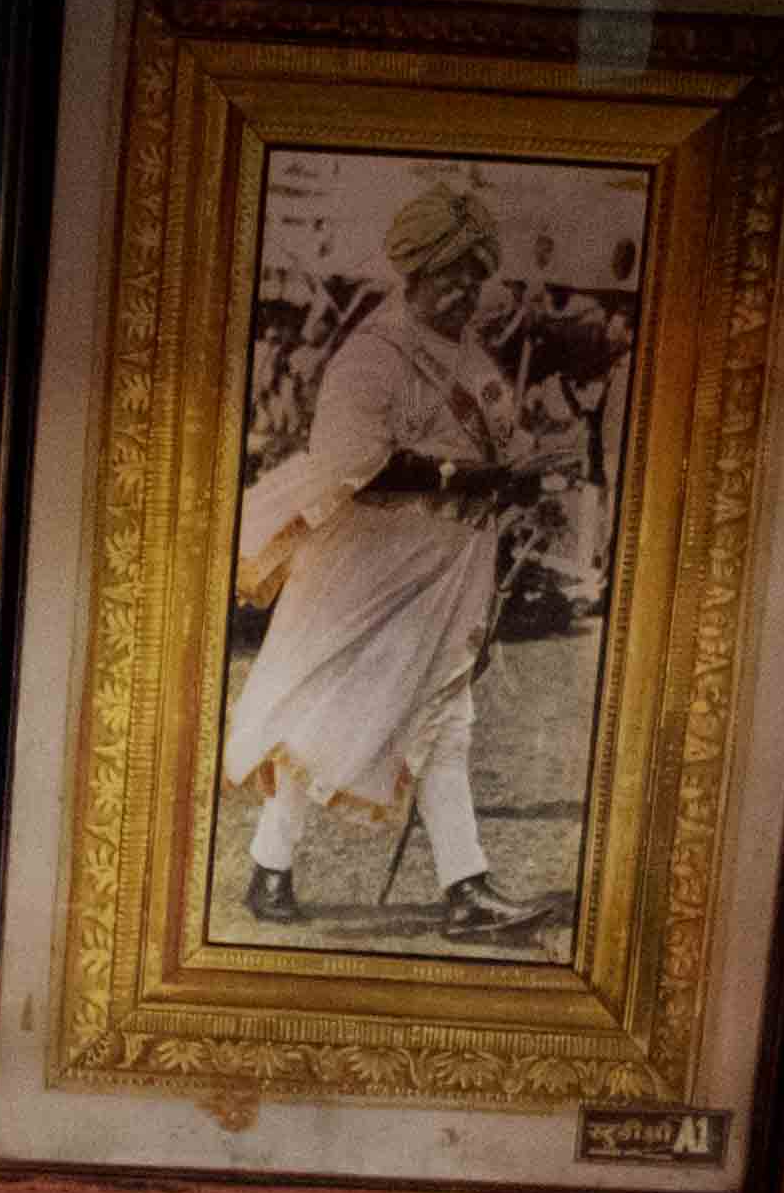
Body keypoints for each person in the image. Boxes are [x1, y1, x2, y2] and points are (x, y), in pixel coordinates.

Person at [225, 174, 572, 946]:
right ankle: (270, 866)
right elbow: (356, 462)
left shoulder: (474, 358)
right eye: (453, 279)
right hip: (368, 568)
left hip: (447, 569)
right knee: (318, 712)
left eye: (475, 281)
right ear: (415, 274)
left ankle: (466, 890)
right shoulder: (371, 358)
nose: (465, 295)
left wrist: (531, 470)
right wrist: (470, 477)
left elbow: (501, 439)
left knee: (447, 718)